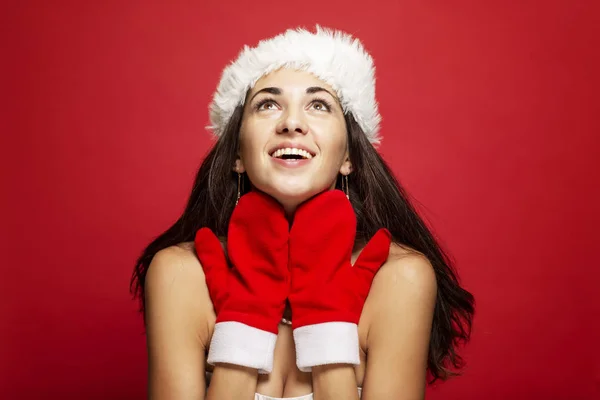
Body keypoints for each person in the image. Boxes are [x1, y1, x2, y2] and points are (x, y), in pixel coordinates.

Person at [131, 25, 475, 400]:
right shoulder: (180, 274)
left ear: (348, 157)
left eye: (318, 105)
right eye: (267, 104)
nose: (291, 123)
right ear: (236, 155)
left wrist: (324, 313)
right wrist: (247, 313)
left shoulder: (401, 278)